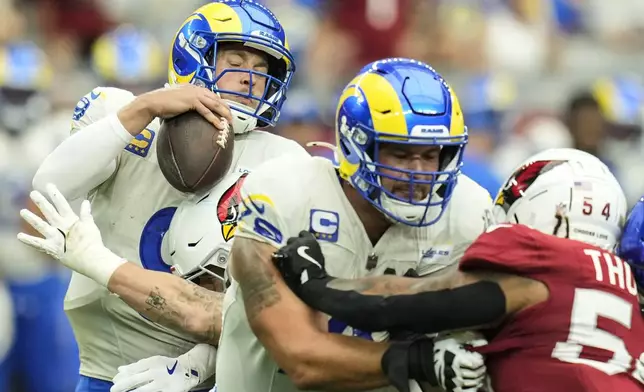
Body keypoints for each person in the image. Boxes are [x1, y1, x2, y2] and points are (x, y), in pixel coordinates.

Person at [18, 58, 493, 392]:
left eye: (433, 155)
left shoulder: (469, 210)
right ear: (356, 144)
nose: (417, 173)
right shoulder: (286, 189)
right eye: (399, 153)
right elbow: (262, 330)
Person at [29, 1, 304, 391]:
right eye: (237, 61)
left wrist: (198, 364)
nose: (251, 79)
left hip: (219, 370)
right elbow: (50, 185)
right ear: (194, 57)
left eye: (262, 70)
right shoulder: (125, 112)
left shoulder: (282, 159)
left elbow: (271, 302)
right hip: (105, 367)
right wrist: (145, 107)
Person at [272, 147, 644, 392]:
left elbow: (405, 302)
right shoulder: (625, 287)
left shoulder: (542, 260)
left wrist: (316, 283)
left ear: (549, 212)